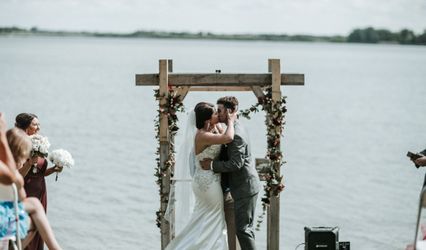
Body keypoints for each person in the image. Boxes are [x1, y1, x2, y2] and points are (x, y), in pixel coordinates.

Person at [165, 102, 237, 250]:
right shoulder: (203, 135)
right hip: (208, 183)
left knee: (202, 219)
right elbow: (228, 137)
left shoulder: (209, 130)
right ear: (207, 120)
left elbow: (221, 133)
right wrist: (231, 121)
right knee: (215, 219)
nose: (218, 115)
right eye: (215, 114)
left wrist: (217, 123)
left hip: (203, 181)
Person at [200, 96, 261, 250]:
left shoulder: (237, 134)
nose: (217, 113)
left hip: (245, 187)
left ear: (229, 111)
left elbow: (236, 163)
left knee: (243, 230)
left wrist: (212, 164)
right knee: (245, 229)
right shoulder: (232, 127)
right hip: (242, 186)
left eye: (219, 111)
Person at [0, 113, 62, 249]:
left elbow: (39, 172)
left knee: (37, 224)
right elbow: (15, 177)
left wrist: (53, 169)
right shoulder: (16, 146)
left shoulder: (39, 143)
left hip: (40, 190)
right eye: (35, 124)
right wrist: (28, 163)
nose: (38, 127)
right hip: (26, 191)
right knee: (35, 218)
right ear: (26, 126)